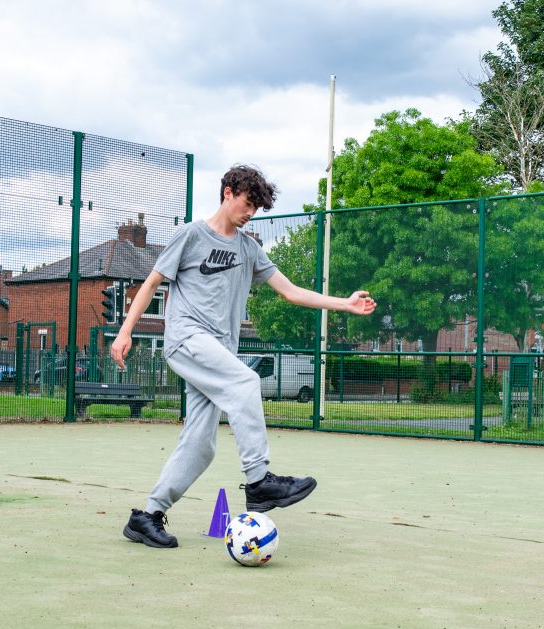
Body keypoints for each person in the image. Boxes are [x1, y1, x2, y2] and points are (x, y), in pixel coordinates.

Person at [112, 165, 377, 548]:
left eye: (257, 207)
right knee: (246, 380)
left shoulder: (249, 249)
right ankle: (259, 481)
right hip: (186, 338)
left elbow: (291, 291)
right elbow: (152, 282)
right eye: (247, 203)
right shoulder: (190, 235)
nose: (251, 212)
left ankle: (147, 516)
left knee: (202, 443)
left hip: (217, 351)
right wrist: (125, 332)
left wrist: (345, 305)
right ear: (227, 192)